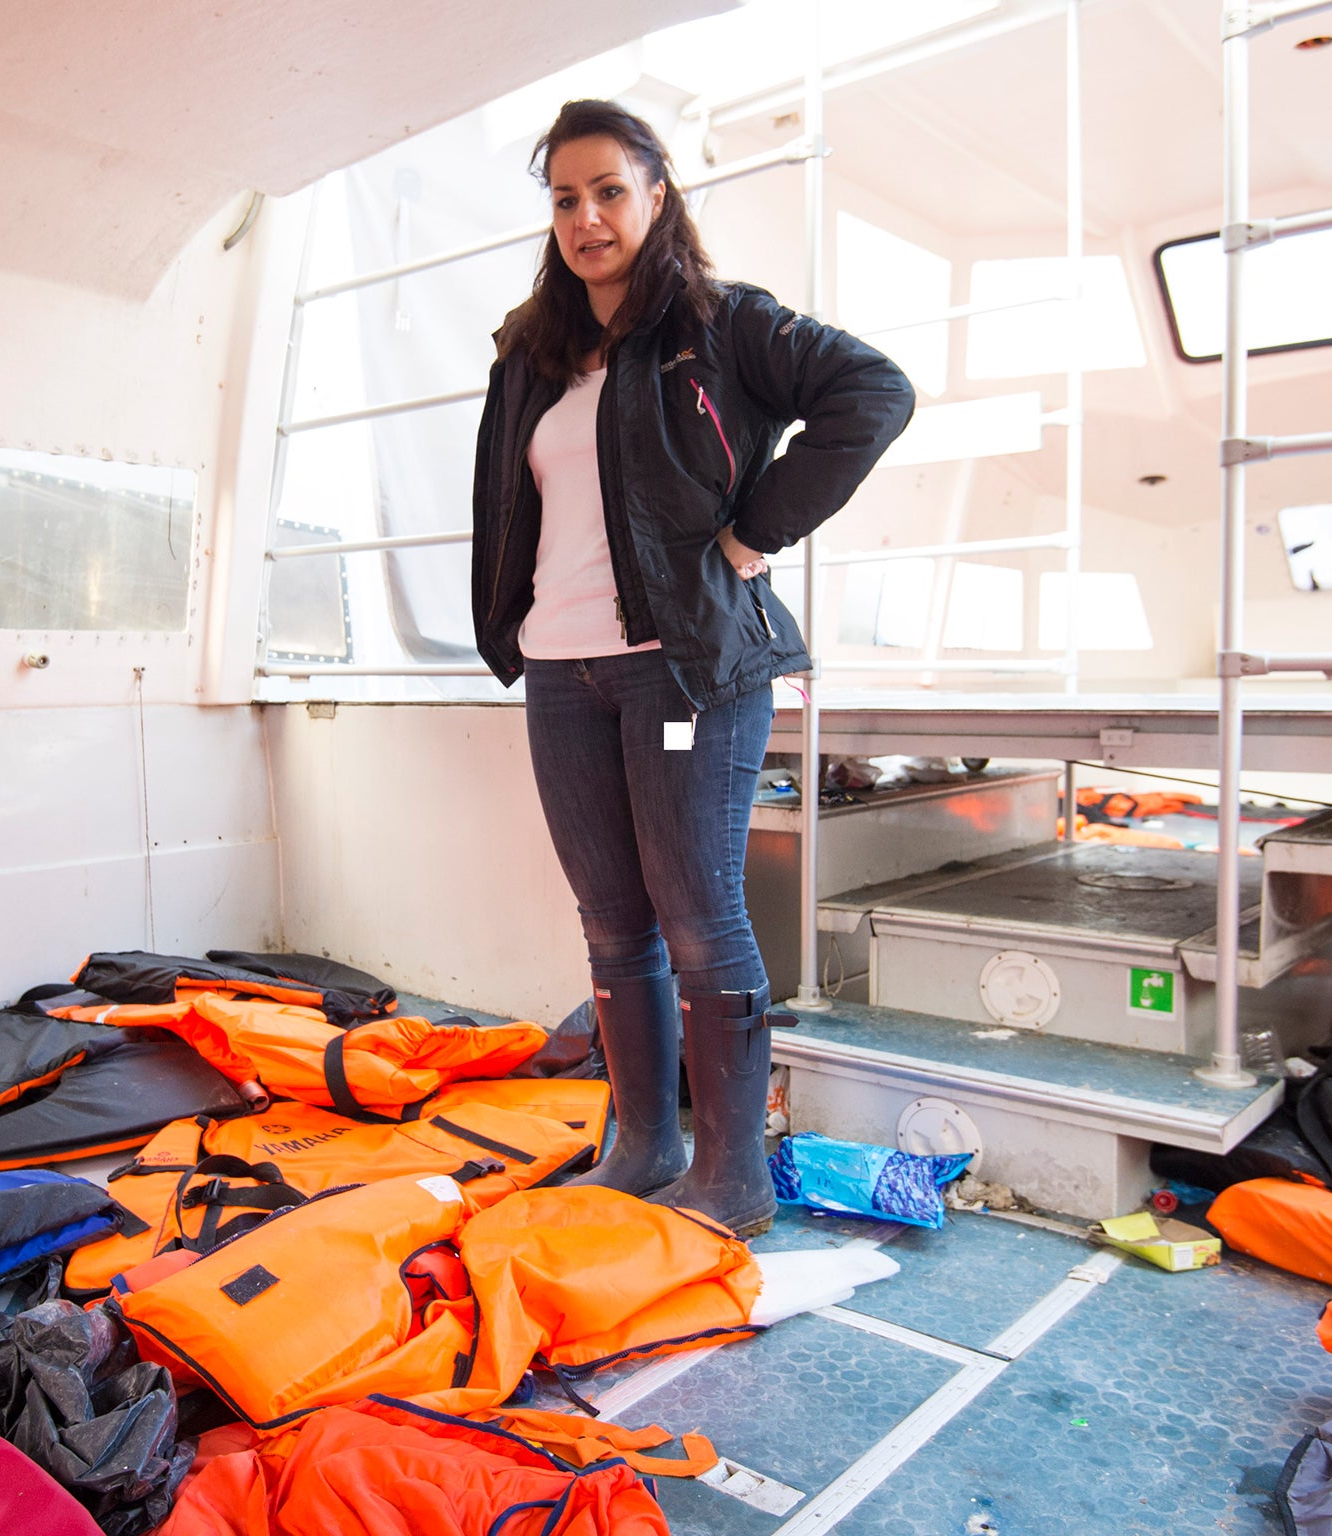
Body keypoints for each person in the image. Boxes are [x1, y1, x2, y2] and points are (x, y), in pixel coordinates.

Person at [469, 99, 914, 1235]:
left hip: (679, 676)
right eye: (563, 198)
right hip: (563, 674)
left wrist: (751, 535)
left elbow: (873, 394)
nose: (585, 218)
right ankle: (644, 1142)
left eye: (607, 190)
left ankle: (732, 1175)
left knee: (696, 914)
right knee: (609, 918)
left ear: (655, 193)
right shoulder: (531, 349)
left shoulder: (717, 324)